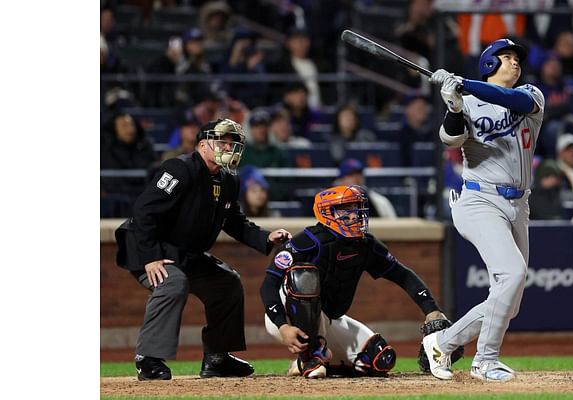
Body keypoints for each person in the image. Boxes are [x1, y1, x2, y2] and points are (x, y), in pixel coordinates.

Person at [113, 118, 292, 381]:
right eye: (222, 142)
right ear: (202, 145)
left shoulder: (229, 179)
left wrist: (266, 238)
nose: (229, 148)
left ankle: (217, 358)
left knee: (226, 282)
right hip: (148, 246)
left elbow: (234, 221)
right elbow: (144, 213)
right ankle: (148, 358)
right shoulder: (179, 169)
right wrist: (150, 258)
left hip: (185, 252)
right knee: (172, 282)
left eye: (232, 144)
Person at [423, 38, 545, 381]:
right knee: (512, 275)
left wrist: (464, 84)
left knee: (510, 301)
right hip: (479, 200)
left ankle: (442, 344)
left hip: (519, 203)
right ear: (489, 64)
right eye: (505, 58)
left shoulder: (532, 95)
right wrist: (454, 106)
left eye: (517, 58)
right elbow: (451, 138)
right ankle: (485, 361)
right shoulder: (468, 101)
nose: (514, 62)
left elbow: (509, 98)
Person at [260, 185, 447, 378]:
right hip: (287, 317)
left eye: (356, 208)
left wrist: (431, 309)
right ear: (328, 214)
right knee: (303, 276)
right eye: (346, 209)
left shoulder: (366, 245)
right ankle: (311, 356)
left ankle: (307, 362)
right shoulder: (306, 242)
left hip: (328, 319)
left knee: (380, 359)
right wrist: (283, 326)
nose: (355, 216)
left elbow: (403, 275)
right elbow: (268, 284)